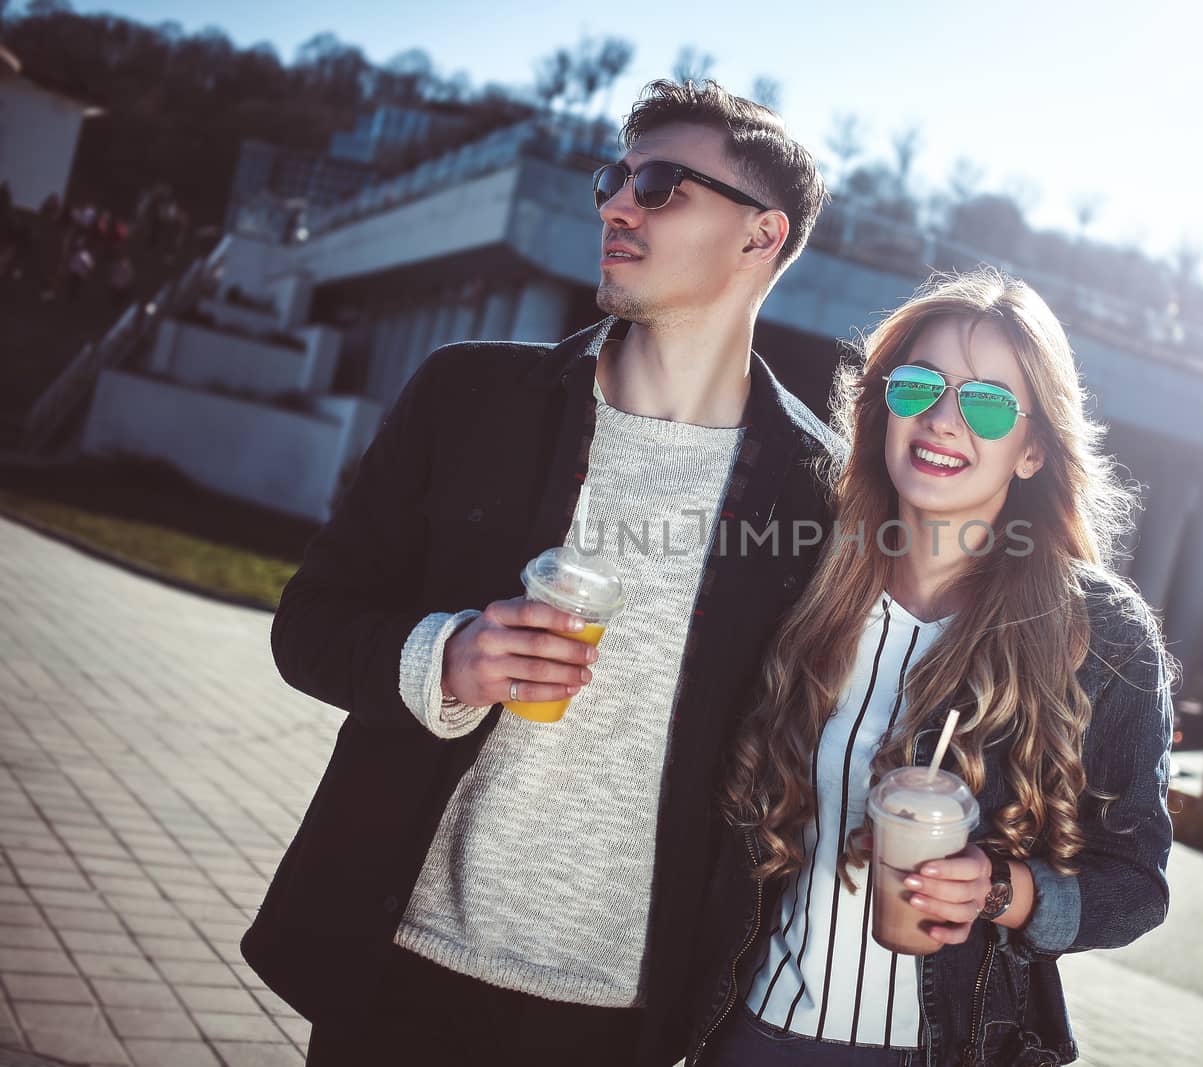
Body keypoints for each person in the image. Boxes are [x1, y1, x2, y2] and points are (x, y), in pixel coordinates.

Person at [242, 78, 834, 1066]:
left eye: (659, 185)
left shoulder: (818, 497)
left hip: (614, 1010)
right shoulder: (469, 395)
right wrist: (448, 659)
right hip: (398, 956)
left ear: (760, 235)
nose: (614, 202)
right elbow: (310, 621)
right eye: (615, 176)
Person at [689, 269, 1176, 1066]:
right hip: (750, 1034)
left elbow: (1137, 885)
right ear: (886, 404)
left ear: (1032, 451)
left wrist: (1000, 888)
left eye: (986, 403)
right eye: (919, 387)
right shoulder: (804, 583)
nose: (944, 420)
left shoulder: (1099, 634)